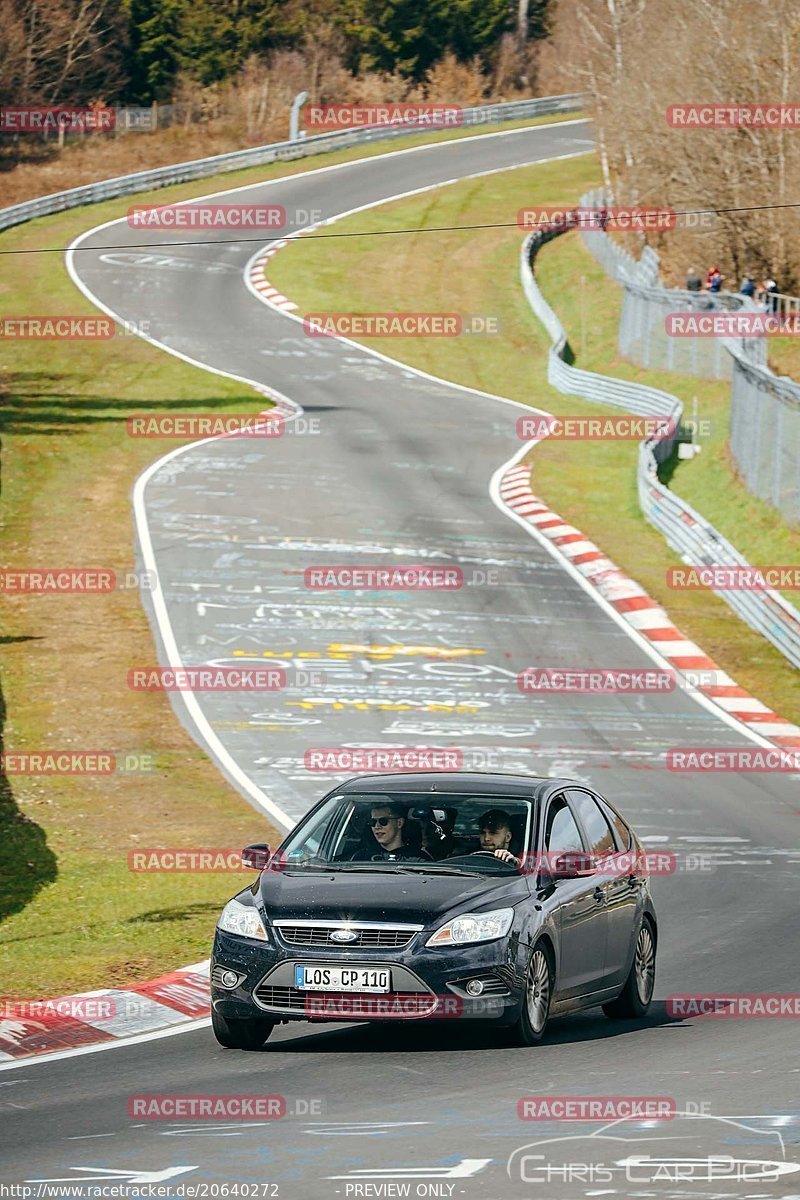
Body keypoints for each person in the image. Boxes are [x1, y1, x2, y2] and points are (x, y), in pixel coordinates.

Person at [357, 802, 431, 862]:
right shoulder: (362, 857)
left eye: (383, 821)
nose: (377, 826)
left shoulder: (418, 860)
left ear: (399, 823)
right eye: (372, 822)